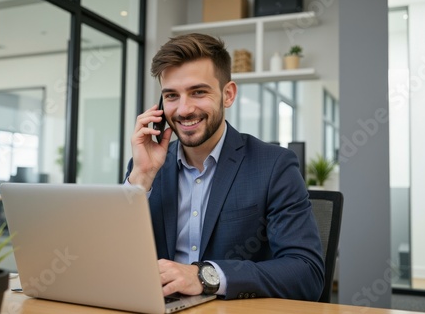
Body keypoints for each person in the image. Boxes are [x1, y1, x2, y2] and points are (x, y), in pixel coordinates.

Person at [125, 33, 324, 300]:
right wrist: (141, 177)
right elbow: (111, 260)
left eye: (198, 92)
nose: (183, 110)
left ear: (227, 94)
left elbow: (306, 272)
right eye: (171, 95)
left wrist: (204, 276)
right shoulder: (146, 166)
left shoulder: (274, 165)